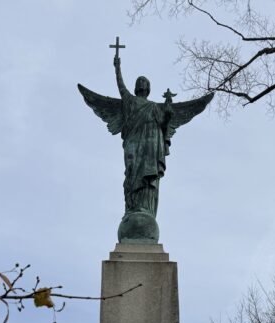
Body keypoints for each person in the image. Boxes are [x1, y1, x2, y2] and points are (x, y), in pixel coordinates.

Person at [78, 51, 212, 240]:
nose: (142, 85)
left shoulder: (155, 107)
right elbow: (121, 87)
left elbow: (165, 125)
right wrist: (117, 68)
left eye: (144, 83)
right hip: (134, 145)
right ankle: (132, 209)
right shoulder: (130, 102)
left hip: (151, 150)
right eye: (140, 83)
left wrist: (168, 109)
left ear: (148, 89)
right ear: (136, 88)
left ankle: (145, 211)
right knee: (132, 176)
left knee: (149, 181)